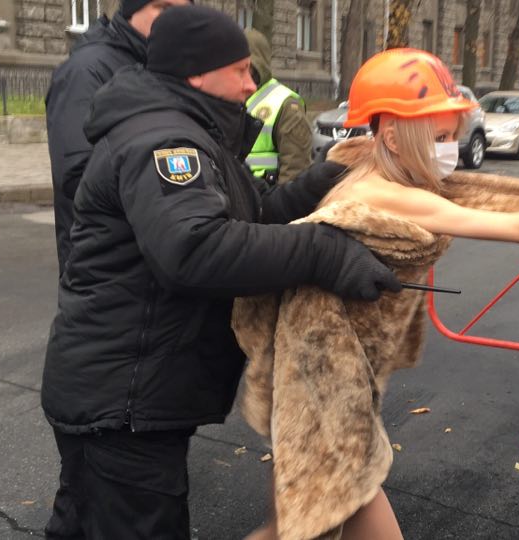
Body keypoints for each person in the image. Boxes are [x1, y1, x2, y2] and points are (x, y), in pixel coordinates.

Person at [236, 48, 519, 540]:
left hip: (333, 375)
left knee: (309, 511)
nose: (451, 148)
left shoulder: (374, 165)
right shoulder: (386, 193)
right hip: (324, 380)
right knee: (308, 517)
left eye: (452, 134)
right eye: (439, 137)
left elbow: (501, 195)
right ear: (393, 136)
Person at [40, 7, 400, 539]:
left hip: (122, 394)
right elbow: (196, 248)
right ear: (196, 74)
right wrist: (326, 254)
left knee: (85, 522)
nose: (252, 83)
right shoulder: (162, 141)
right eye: (240, 70)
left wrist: (325, 178)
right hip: (121, 403)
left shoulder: (190, 130)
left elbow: (253, 215)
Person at [46, 0, 191, 274]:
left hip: (154, 259)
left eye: (185, 11)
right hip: (104, 268)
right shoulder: (87, 69)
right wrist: (169, 203)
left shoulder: (167, 67)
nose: (176, 20)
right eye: (164, 9)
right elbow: (77, 174)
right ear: (133, 10)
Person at [244, 29, 313, 185]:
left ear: (256, 64)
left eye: (243, 65)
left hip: (267, 195)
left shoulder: (286, 104)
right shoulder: (225, 96)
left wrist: (280, 200)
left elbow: (295, 169)